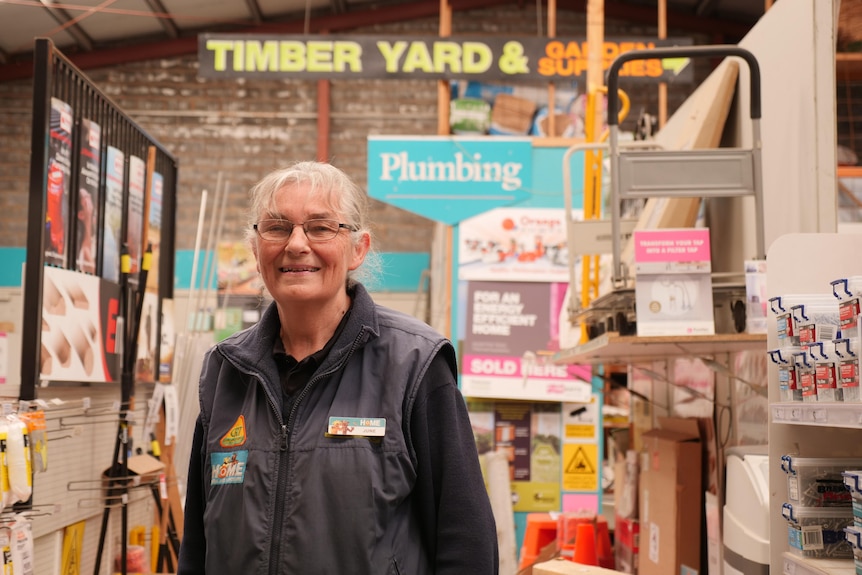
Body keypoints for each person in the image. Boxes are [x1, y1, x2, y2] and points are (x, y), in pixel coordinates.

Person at [177, 161, 499, 574]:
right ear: (256, 250)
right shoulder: (225, 370)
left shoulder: (415, 364)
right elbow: (198, 545)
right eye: (276, 227)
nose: (296, 244)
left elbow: (466, 539)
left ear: (358, 248)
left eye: (320, 227)